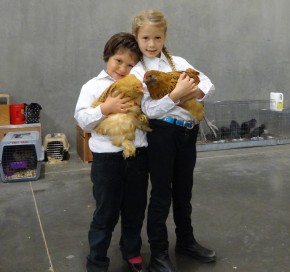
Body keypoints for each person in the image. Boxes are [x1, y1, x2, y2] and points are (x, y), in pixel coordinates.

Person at [130, 10, 216, 272]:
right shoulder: (137, 72)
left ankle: (186, 241)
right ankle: (158, 252)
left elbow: (207, 81)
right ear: (137, 37)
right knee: (160, 194)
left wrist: (197, 92)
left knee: (183, 191)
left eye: (157, 37)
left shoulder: (177, 61)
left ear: (165, 36)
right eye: (146, 38)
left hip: (187, 133)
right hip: (162, 136)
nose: (152, 44)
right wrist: (178, 95)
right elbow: (149, 111)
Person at [74, 32, 148, 272]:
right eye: (118, 60)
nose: (123, 68)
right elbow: (83, 120)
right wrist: (105, 108)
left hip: (137, 155)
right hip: (107, 160)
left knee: (135, 209)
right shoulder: (93, 86)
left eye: (130, 64)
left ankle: (132, 251)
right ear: (108, 56)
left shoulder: (139, 87)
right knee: (105, 212)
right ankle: (96, 260)